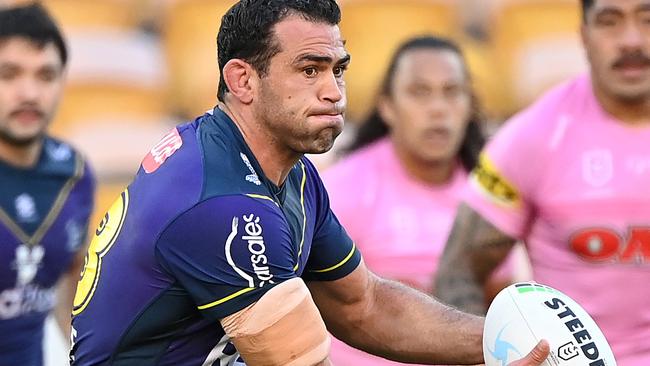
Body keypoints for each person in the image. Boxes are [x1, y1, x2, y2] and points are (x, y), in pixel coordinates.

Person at [69, 1, 547, 365]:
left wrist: (505, 340)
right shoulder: (223, 202)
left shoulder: (287, 171)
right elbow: (300, 360)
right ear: (242, 80)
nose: (333, 91)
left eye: (338, 69)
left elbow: (365, 305)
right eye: (309, 69)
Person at [434, 0, 650, 365]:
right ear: (583, 35)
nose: (631, 40)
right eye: (609, 22)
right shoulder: (532, 137)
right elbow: (458, 275)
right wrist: (501, 355)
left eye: (647, 19)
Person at [323, 35, 516, 365]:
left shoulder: (491, 194)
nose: (438, 109)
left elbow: (505, 302)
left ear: (469, 104)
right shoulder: (342, 189)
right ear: (387, 106)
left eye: (451, 92)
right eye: (419, 92)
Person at [0, 3, 96, 366]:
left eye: (45, 75)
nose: (29, 93)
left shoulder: (74, 174)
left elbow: (71, 283)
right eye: (9, 74)